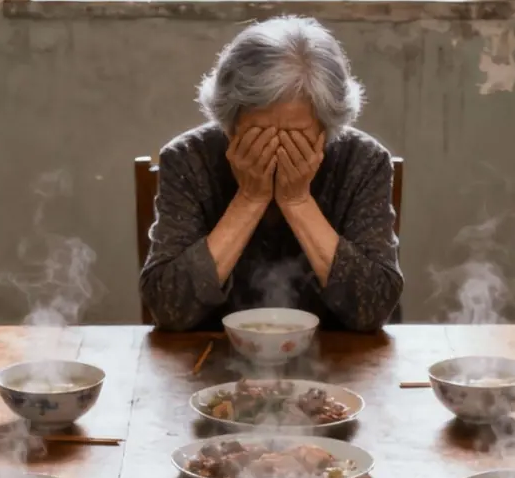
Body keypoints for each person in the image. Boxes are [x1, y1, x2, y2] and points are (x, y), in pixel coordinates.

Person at [139, 17, 403, 331]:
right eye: (259, 135)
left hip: (338, 363)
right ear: (230, 123)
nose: (276, 151)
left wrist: (297, 201)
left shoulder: (363, 162)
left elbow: (373, 309)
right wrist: (250, 198)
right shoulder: (187, 159)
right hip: (211, 360)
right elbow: (168, 308)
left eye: (295, 137)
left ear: (327, 127)